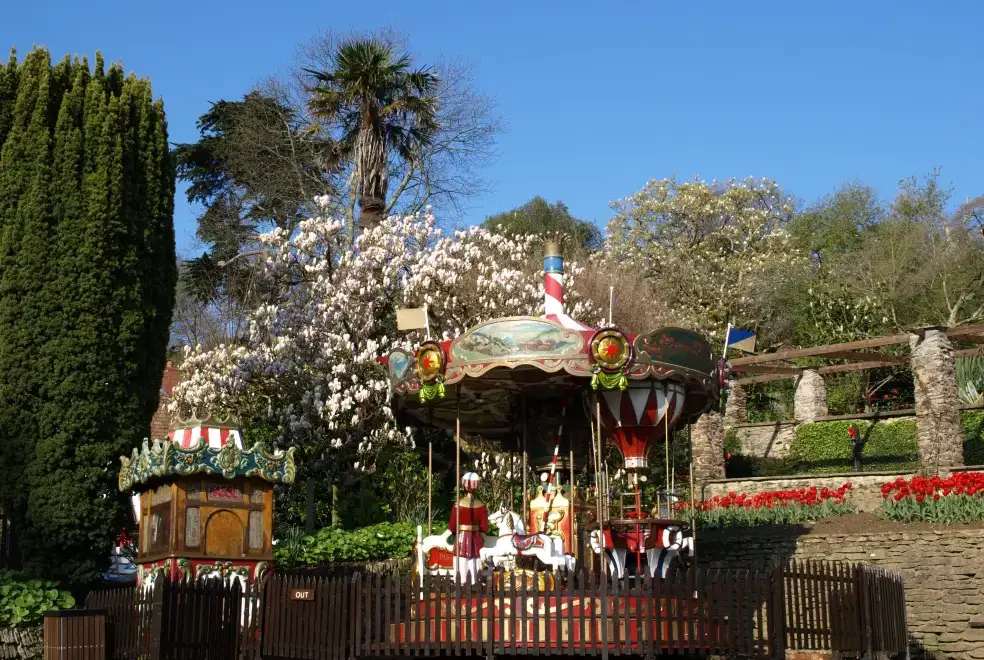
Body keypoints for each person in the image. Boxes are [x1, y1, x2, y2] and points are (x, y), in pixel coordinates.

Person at [448, 472, 488, 584]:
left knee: (460, 562)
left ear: (464, 486)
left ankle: (460, 585)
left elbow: (452, 526)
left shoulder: (458, 504)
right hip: (476, 540)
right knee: (475, 563)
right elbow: (484, 528)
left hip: (461, 539)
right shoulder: (481, 505)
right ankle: (474, 585)